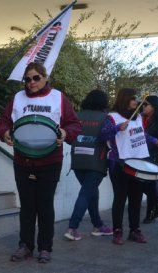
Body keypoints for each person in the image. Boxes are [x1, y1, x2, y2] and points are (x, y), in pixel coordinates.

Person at [0, 62, 80, 263]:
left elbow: (74, 124)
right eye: (27, 79)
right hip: (23, 160)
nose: (31, 82)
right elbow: (3, 121)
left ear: (45, 78)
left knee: (44, 205)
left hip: (50, 161)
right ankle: (25, 245)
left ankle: (45, 247)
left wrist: (66, 133)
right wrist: (4, 132)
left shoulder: (58, 97)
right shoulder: (17, 97)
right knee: (26, 206)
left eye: (35, 78)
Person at [100, 88, 158, 245]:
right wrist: (117, 128)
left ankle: (135, 230)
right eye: (133, 99)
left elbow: (141, 135)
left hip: (138, 163)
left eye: (136, 99)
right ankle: (117, 231)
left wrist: (155, 140)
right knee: (120, 199)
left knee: (136, 198)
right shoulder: (112, 117)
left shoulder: (137, 117)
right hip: (119, 164)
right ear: (124, 99)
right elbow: (102, 135)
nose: (136, 102)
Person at [64, 89, 114, 241]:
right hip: (96, 161)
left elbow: (68, 136)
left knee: (91, 192)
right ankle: (72, 227)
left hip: (78, 160)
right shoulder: (106, 118)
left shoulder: (76, 116)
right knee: (86, 193)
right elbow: (111, 138)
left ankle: (98, 225)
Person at [142, 95, 158, 224]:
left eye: (146, 104)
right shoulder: (144, 118)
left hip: (154, 156)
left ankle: (151, 212)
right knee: (146, 184)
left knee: (151, 183)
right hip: (144, 156)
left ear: (153, 106)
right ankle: (157, 203)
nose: (143, 107)